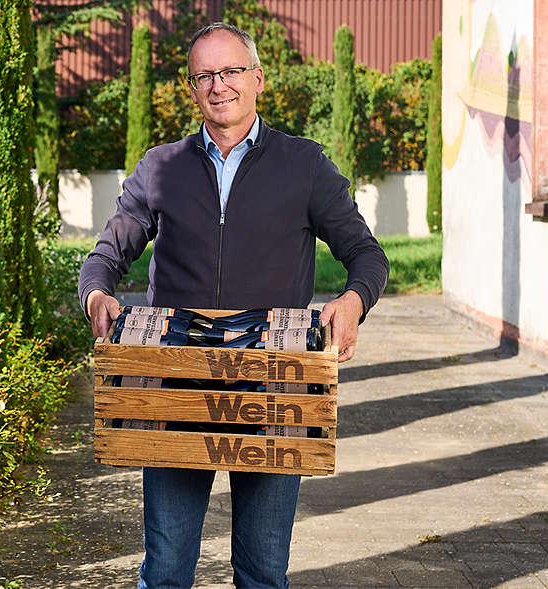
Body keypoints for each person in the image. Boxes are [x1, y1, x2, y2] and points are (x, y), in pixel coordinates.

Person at [77, 22, 389, 589]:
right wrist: (96, 291)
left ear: (257, 78)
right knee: (167, 569)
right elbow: (108, 251)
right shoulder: (160, 166)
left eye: (231, 71)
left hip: (276, 383)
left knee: (263, 573)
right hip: (176, 383)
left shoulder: (305, 164)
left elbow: (366, 254)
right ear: (191, 89)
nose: (219, 85)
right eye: (205, 75)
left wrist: (353, 299)